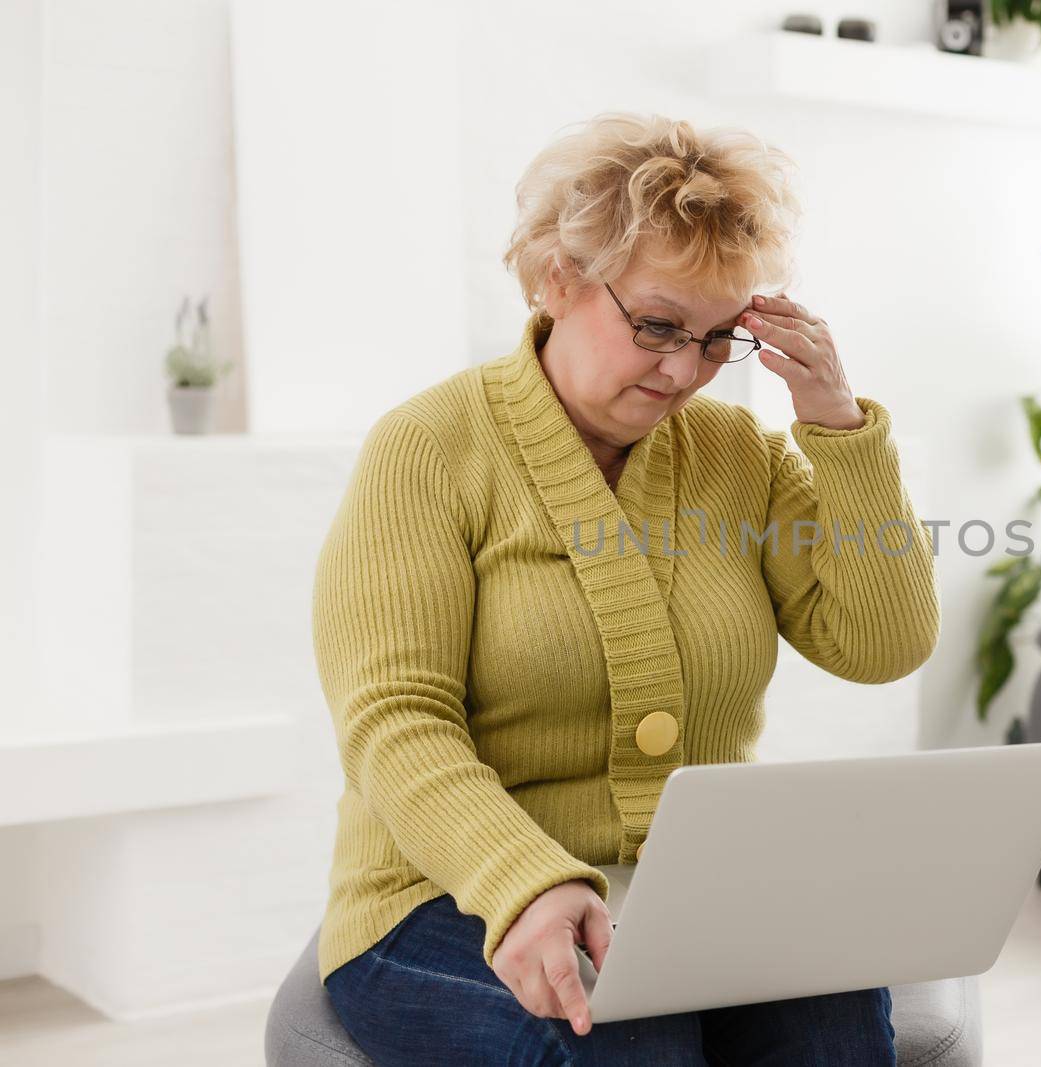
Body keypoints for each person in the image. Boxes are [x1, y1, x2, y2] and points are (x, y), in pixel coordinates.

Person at [313, 111, 940, 1065]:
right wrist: (522, 880)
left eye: (718, 337)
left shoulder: (739, 455)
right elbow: (394, 719)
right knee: (629, 1043)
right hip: (447, 894)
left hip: (693, 891)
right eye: (657, 325)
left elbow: (882, 643)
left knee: (837, 1025)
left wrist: (839, 428)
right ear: (559, 275)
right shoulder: (429, 448)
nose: (686, 370)